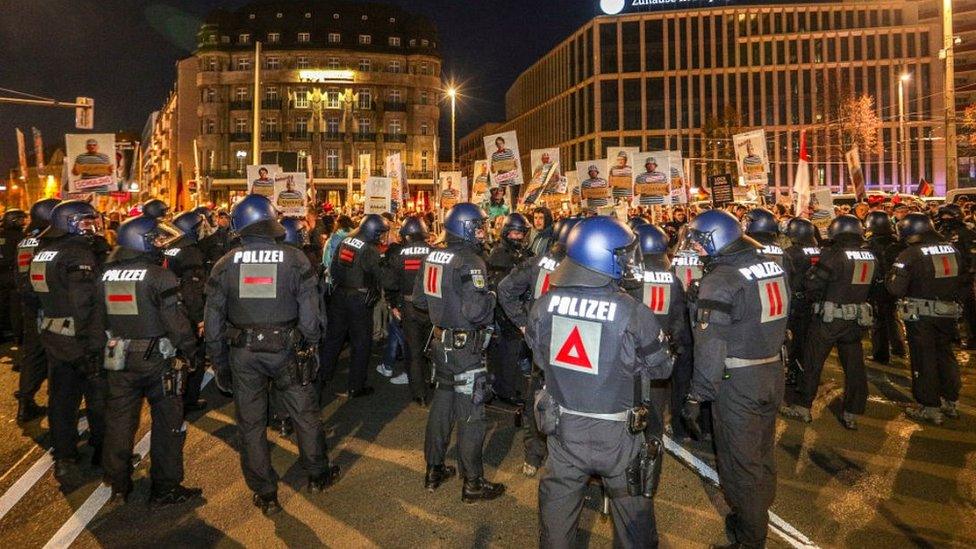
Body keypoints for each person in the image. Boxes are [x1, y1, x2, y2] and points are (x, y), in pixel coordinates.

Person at [526, 216, 672, 548]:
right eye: (621, 253)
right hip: (619, 436)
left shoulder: (544, 305)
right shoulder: (632, 310)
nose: (627, 260)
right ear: (600, 255)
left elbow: (539, 360)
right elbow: (662, 369)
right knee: (633, 522)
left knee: (557, 518)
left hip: (563, 429)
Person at [204, 194, 339, 516]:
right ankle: (317, 474)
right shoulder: (294, 258)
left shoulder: (225, 263)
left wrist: (219, 362)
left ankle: (265, 493)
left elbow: (212, 321)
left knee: (250, 426)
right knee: (304, 415)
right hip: (287, 348)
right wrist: (311, 345)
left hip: (243, 353)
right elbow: (310, 314)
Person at [679, 209, 789, 549]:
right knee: (760, 454)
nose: (694, 247)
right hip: (771, 370)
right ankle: (751, 517)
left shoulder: (722, 279)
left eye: (699, 240)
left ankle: (750, 537)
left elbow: (711, 347)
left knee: (740, 465)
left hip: (739, 379)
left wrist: (697, 396)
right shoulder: (771, 263)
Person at [99, 215, 202, 506]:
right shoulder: (160, 276)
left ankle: (118, 484)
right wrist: (190, 351)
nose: (160, 244)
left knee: (119, 422)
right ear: (139, 241)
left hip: (117, 356)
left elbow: (95, 319)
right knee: (168, 424)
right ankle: (165, 486)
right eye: (155, 239)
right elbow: (177, 323)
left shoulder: (104, 274)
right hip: (158, 359)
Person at [412, 202, 505, 502]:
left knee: (442, 405)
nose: (482, 231)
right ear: (464, 227)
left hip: (440, 345)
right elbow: (476, 311)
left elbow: (419, 301)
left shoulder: (432, 255)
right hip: (466, 348)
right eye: (478, 225)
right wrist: (491, 295)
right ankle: (473, 483)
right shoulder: (471, 260)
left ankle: (433, 469)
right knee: (471, 416)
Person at [28, 200, 107, 485]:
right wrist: (95, 343)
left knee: (61, 401)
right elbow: (83, 304)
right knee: (98, 399)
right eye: (85, 222)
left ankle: (65, 458)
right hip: (81, 339)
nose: (91, 227)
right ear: (69, 222)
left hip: (53, 337)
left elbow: (30, 295)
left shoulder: (41, 252)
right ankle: (103, 453)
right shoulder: (76, 254)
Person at [498, 216, 582, 477]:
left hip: (541, 341)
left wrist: (524, 324)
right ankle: (565, 458)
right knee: (572, 400)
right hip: (569, 342)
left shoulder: (537, 261)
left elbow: (505, 288)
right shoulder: (580, 266)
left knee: (538, 396)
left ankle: (533, 456)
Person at [781, 215, 876, 430]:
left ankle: (803, 406)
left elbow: (812, 283)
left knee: (813, 363)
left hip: (829, 319)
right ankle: (853, 410)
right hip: (855, 320)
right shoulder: (869, 255)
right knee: (854, 367)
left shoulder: (834, 255)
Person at [887, 213, 965, 425]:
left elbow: (895, 288)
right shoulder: (953, 250)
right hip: (948, 314)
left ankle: (929, 406)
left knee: (924, 359)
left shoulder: (909, 254)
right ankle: (950, 400)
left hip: (921, 315)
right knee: (946, 356)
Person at [320, 214, 389, 398]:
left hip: (339, 295)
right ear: (373, 231)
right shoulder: (370, 249)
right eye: (380, 233)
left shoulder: (346, 241)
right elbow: (380, 275)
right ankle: (356, 386)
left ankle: (323, 376)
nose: (382, 236)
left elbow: (333, 267)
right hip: (359, 299)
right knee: (361, 343)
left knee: (333, 339)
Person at [634, 224, 692, 440]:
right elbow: (679, 318)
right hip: (660, 354)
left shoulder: (630, 280)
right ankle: (653, 455)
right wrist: (672, 345)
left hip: (633, 354)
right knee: (655, 412)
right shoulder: (674, 280)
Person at [14, 199, 59, 422]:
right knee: (54, 355)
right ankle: (57, 405)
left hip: (30, 302)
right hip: (47, 303)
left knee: (33, 354)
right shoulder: (45, 241)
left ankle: (25, 400)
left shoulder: (26, 239)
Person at [382, 216, 433, 405]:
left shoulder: (398, 254)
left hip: (409, 308)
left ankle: (419, 393)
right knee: (433, 347)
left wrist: (393, 304)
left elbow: (389, 283)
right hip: (432, 308)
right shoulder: (433, 252)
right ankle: (433, 381)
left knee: (414, 350)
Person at [486, 213, 532, 404]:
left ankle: (506, 386)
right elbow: (499, 287)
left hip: (521, 309)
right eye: (514, 233)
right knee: (505, 352)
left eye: (520, 233)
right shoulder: (498, 254)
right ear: (506, 233)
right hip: (504, 312)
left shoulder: (526, 254)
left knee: (515, 352)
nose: (517, 237)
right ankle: (505, 390)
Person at [168, 211, 210, 413]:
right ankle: (188, 400)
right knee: (194, 358)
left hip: (170, 310)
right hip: (187, 313)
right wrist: (199, 318)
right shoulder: (190, 252)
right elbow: (192, 289)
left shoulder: (170, 248)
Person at [781, 217, 821, 402]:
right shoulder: (820, 250)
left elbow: (785, 280)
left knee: (794, 342)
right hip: (815, 303)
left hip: (796, 304)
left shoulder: (790, 253)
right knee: (810, 343)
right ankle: (805, 375)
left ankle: (794, 375)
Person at [864, 211, 906, 364]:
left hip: (879, 286)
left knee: (879, 321)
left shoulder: (871, 244)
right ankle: (899, 348)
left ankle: (880, 355)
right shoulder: (897, 241)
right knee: (892, 316)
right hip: (896, 285)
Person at [935, 204, 976, 348]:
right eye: (943, 216)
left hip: (962, 276)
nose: (946, 219)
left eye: (949, 216)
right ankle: (953, 335)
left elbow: (972, 253)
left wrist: (969, 272)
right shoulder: (940, 231)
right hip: (946, 276)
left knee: (968, 309)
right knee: (948, 308)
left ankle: (972, 338)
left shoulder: (966, 231)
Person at [0, 208, 27, 341]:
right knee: (16, 306)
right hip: (13, 275)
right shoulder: (21, 237)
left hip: (2, 275)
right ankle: (17, 334)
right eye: (21, 219)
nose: (24, 222)